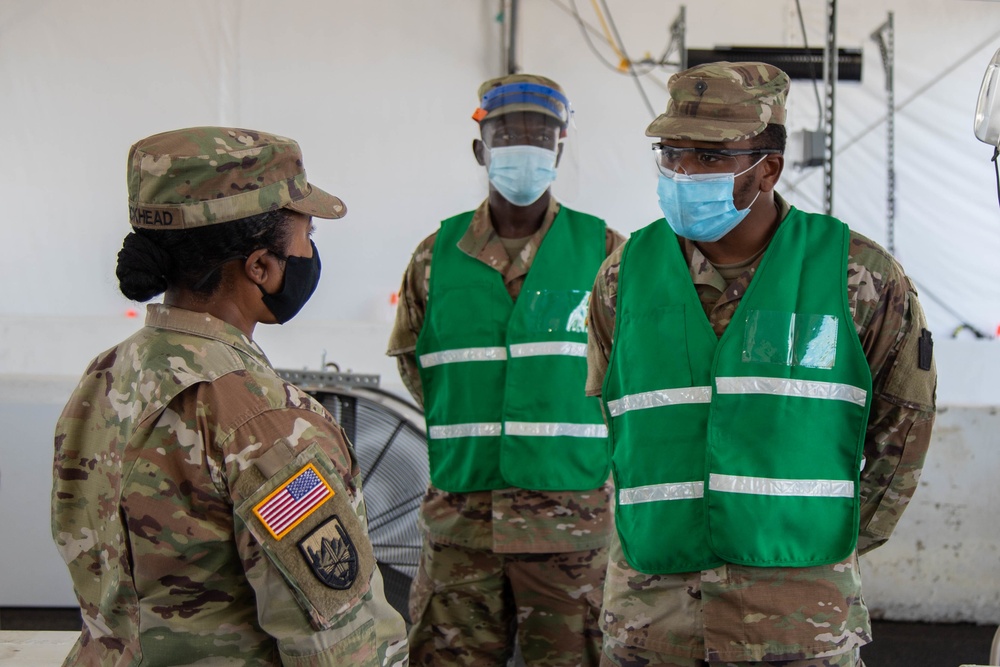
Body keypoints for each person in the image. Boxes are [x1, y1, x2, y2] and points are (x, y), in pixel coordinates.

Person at [586, 62, 937, 667]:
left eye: (710, 157)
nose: (682, 173)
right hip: (653, 617)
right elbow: (615, 421)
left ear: (769, 167)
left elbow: (904, 429)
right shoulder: (623, 275)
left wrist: (832, 544)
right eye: (672, 154)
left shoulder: (860, 278)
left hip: (799, 618)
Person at [52, 127, 409, 666]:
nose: (311, 253)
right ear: (261, 266)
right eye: (307, 236)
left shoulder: (104, 377)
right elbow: (341, 646)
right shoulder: (265, 422)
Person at [387, 74, 626, 666]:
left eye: (540, 134)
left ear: (560, 148)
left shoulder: (606, 253)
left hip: (572, 529)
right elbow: (420, 370)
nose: (525, 145)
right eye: (507, 133)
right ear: (481, 149)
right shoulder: (432, 258)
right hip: (461, 528)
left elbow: (632, 376)